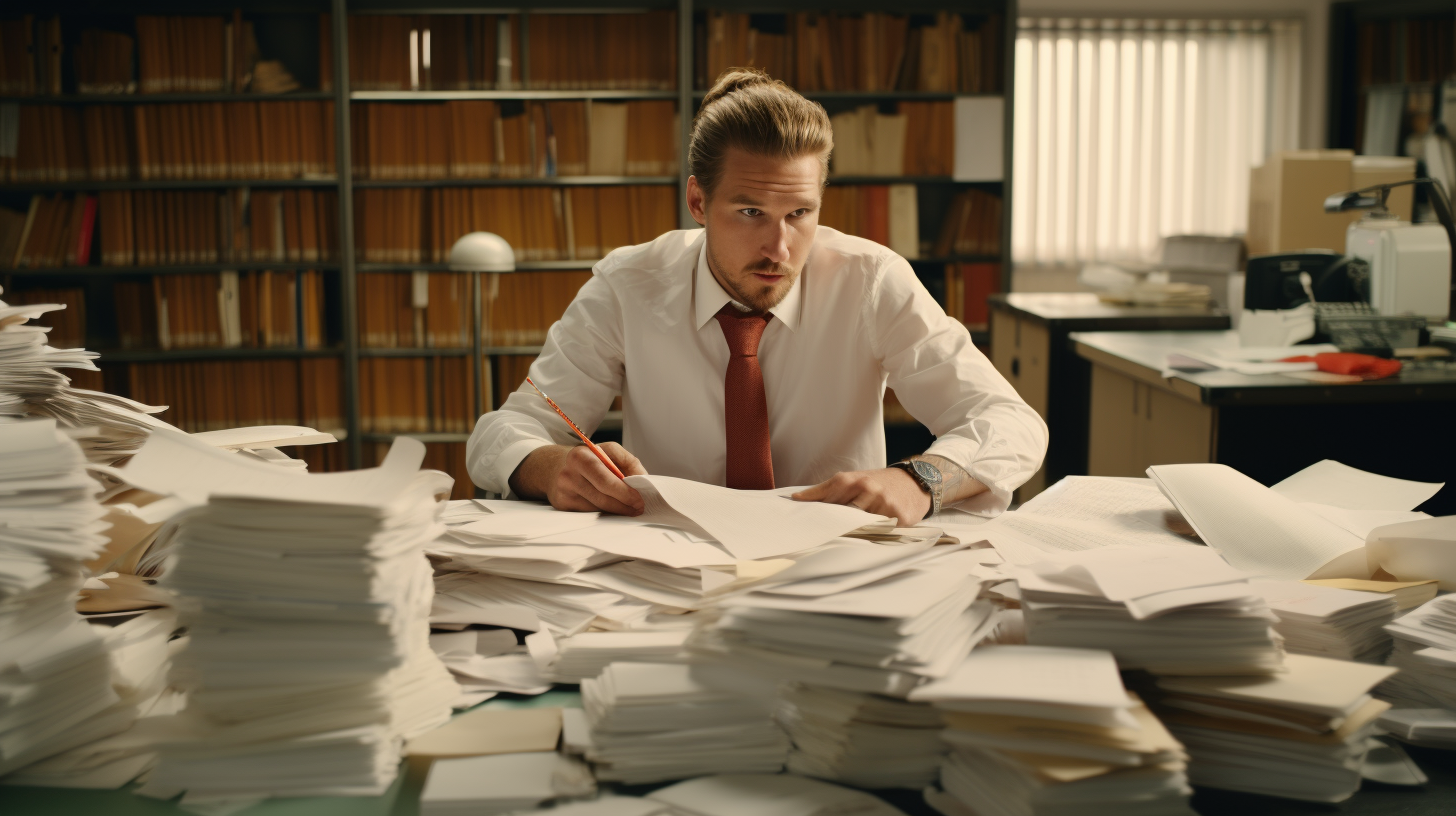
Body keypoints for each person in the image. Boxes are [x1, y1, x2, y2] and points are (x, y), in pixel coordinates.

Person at [467, 68, 1047, 524]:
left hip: (834, 565)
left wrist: (920, 480)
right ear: (698, 203)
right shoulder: (627, 284)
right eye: (750, 213)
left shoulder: (870, 279)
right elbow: (503, 431)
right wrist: (548, 467)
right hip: (668, 564)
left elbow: (1011, 422)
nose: (779, 247)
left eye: (800, 214)